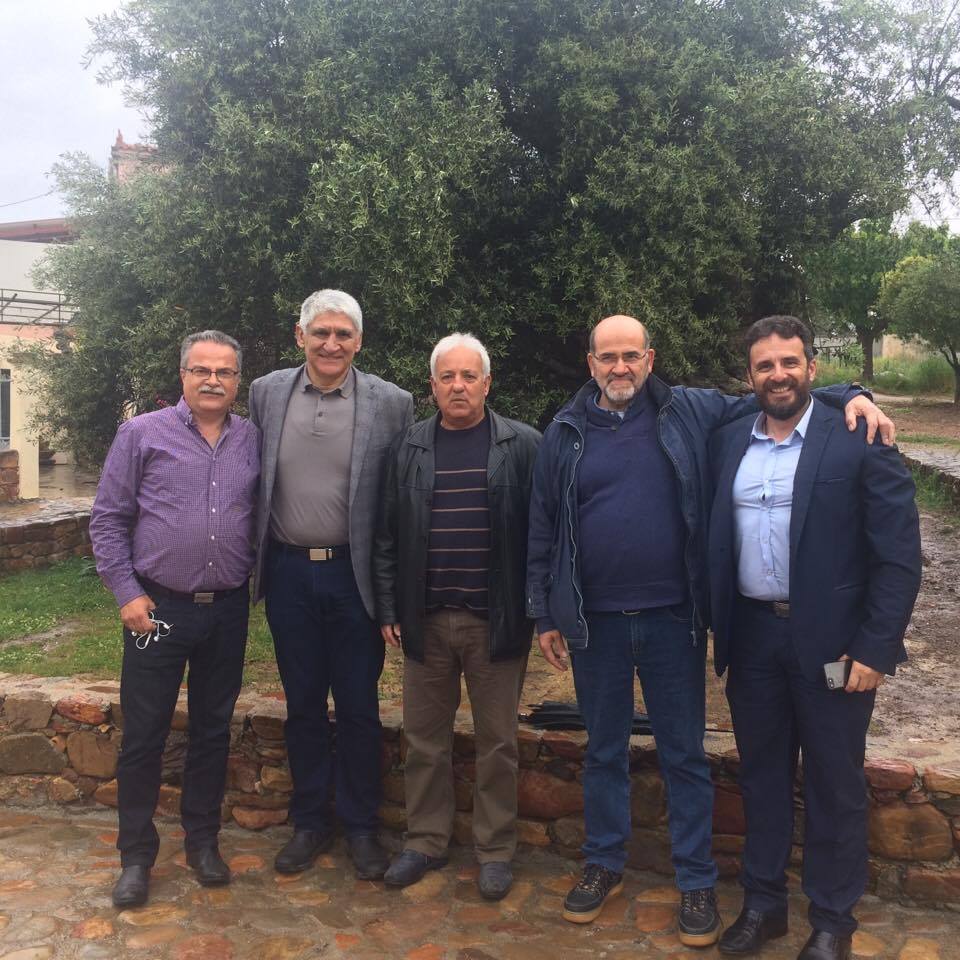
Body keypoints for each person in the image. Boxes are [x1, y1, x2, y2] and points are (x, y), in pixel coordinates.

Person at [526, 314, 892, 946]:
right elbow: (542, 525)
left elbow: (777, 392)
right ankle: (604, 862)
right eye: (608, 357)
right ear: (591, 364)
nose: (620, 367)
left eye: (631, 355)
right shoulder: (564, 431)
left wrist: (851, 392)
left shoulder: (690, 411)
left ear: (650, 358)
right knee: (604, 750)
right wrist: (544, 612)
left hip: (676, 620)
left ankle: (697, 880)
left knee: (686, 755)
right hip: (597, 624)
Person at [707, 316, 921, 960]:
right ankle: (764, 906)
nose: (778, 375)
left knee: (834, 783)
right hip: (753, 642)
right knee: (761, 779)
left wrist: (876, 647)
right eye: (765, 365)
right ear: (749, 375)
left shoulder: (858, 436)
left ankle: (832, 921)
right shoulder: (727, 439)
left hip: (835, 648)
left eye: (790, 363)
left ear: (812, 368)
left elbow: (899, 557)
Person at [248, 289, 414, 881]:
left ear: (359, 342)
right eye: (320, 332)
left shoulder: (392, 403)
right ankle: (310, 822)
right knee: (302, 706)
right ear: (300, 336)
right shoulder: (266, 393)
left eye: (343, 334)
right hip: (288, 572)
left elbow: (398, 502)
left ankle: (362, 827)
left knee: (360, 707)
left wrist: (395, 593)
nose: (331, 344)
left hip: (355, 575)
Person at [90, 330, 260, 908]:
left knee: (213, 730)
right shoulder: (141, 434)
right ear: (183, 375)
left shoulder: (252, 439)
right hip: (156, 611)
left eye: (225, 372)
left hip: (227, 609)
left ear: (237, 381)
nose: (213, 380)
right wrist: (126, 593)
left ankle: (203, 843)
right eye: (202, 370)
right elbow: (108, 518)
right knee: (144, 735)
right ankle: (136, 857)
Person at [372, 334, 541, 900]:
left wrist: (538, 609)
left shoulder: (523, 445)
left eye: (469, 376)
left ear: (487, 384)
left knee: (498, 743)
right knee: (424, 741)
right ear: (433, 386)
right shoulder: (408, 448)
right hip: (425, 620)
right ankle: (424, 841)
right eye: (448, 376)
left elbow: (541, 535)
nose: (459, 386)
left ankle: (495, 850)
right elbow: (387, 536)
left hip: (496, 622)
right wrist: (389, 607)